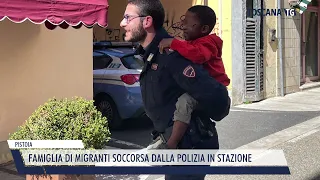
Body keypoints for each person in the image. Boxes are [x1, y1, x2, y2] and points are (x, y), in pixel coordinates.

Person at [120, 0, 230, 179]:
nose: (122, 23)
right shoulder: (153, 53)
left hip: (190, 149)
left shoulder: (171, 54)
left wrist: (222, 102)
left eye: (127, 17)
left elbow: (218, 99)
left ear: (146, 21)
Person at [158, 5, 230, 127]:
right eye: (183, 20)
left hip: (214, 90)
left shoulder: (208, 43)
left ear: (204, 29)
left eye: (187, 23)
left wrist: (173, 43)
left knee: (184, 102)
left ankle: (172, 141)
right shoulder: (193, 43)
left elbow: (197, 55)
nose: (183, 26)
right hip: (202, 87)